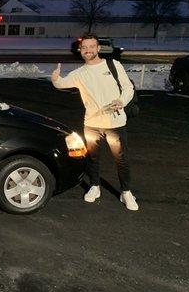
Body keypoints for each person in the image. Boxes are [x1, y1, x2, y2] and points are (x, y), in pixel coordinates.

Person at [51, 33, 138, 211]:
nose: (88, 50)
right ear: (80, 50)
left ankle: (126, 192)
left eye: (91, 47)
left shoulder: (113, 65)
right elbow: (62, 84)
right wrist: (55, 79)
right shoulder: (79, 73)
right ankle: (95, 186)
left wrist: (121, 101)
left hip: (115, 123)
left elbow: (128, 87)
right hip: (92, 124)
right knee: (93, 158)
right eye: (84, 48)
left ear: (98, 48)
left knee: (121, 159)